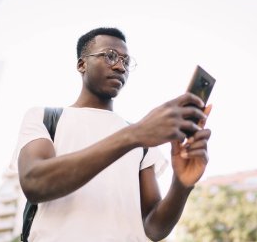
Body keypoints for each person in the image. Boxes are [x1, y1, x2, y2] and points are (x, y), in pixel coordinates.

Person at [11, 27, 212, 242]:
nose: (119, 66)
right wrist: (132, 135)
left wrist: (182, 185)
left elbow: (154, 228)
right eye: (110, 56)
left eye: (126, 61)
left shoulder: (144, 138)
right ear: (82, 64)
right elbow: (34, 183)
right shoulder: (46, 117)